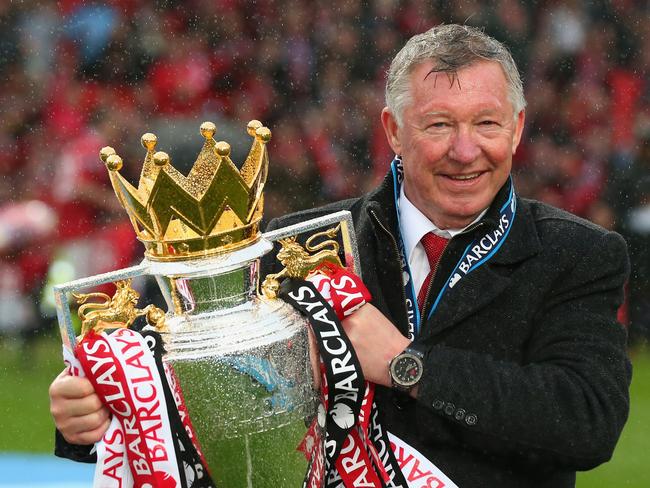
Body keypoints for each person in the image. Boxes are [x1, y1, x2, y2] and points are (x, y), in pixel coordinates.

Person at [50, 24, 631, 487]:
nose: (465, 150)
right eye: (438, 125)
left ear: (518, 128)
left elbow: (586, 424)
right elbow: (199, 385)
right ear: (394, 132)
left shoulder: (577, 254)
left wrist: (408, 367)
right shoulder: (295, 245)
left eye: (486, 124)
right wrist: (91, 415)